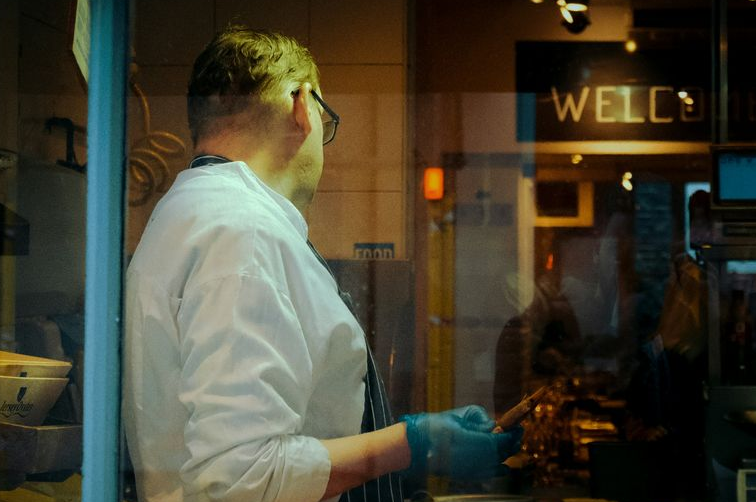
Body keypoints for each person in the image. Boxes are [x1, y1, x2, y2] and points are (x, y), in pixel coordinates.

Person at [124, 25, 521, 502]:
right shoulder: (243, 233)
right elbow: (240, 475)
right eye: (324, 116)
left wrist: (403, 450)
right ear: (301, 104)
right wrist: (411, 444)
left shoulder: (187, 216)